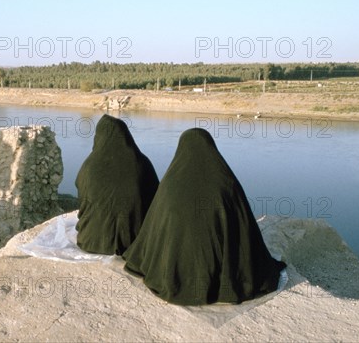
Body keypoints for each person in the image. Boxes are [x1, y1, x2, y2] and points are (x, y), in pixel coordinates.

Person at [123, 128, 286, 305]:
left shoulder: (170, 185)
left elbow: (154, 227)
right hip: (221, 276)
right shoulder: (226, 183)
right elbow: (243, 226)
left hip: (172, 274)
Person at [75, 114, 159, 256]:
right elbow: (155, 201)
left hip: (91, 240)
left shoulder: (90, 165)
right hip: (133, 242)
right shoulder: (142, 163)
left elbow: (82, 195)